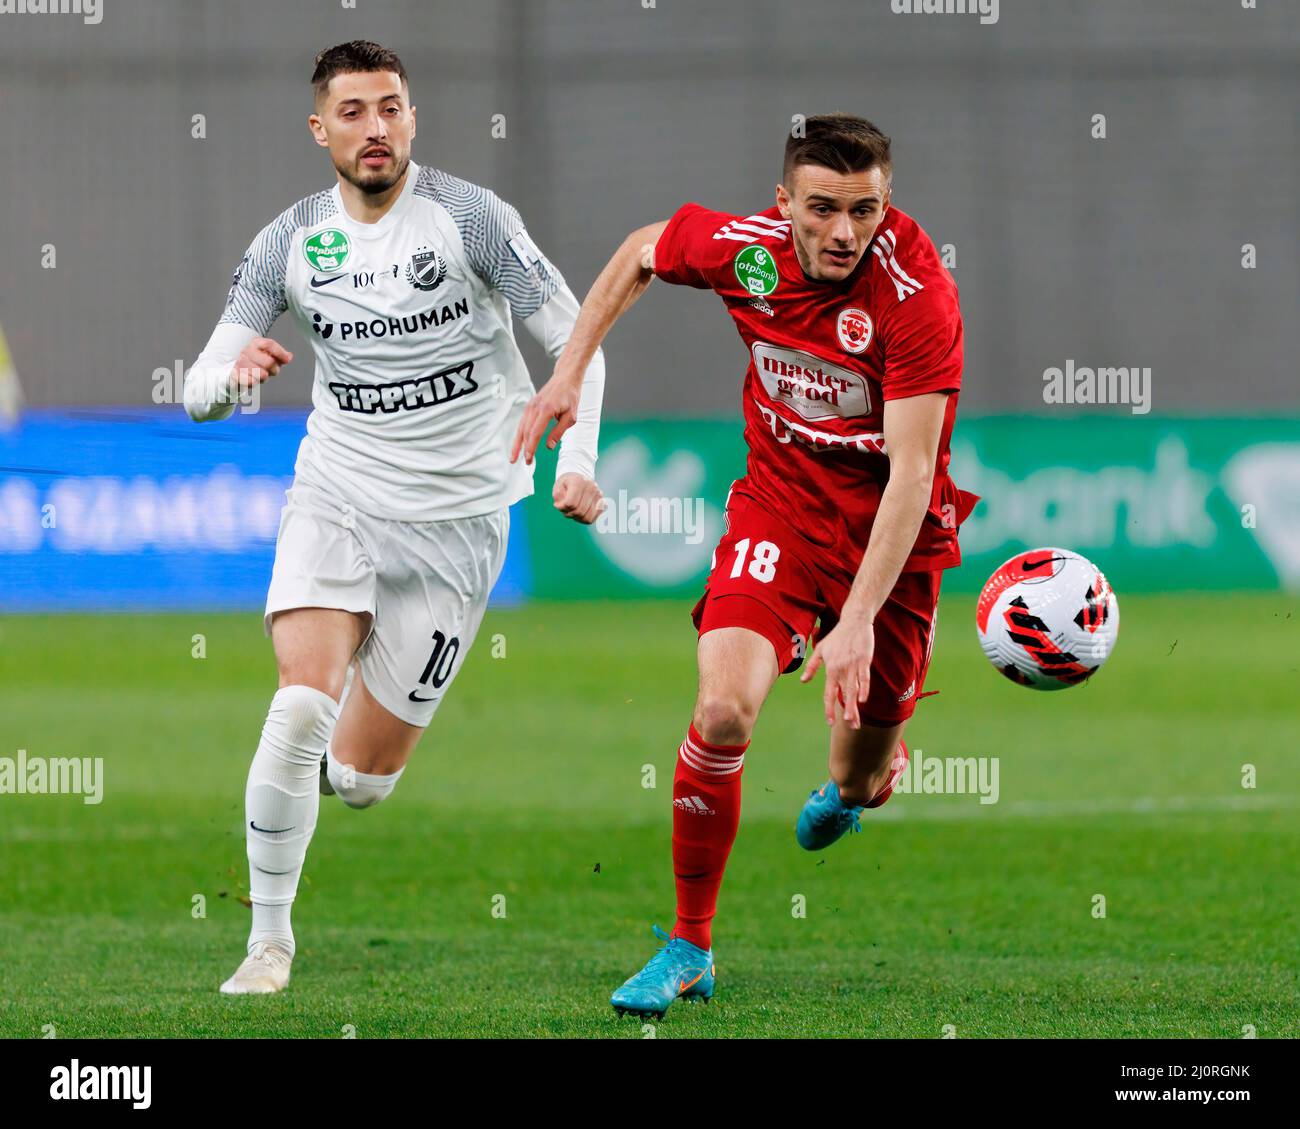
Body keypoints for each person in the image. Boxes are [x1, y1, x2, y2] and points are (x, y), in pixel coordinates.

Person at [513, 113, 977, 1018]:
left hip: (890, 541)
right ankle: (691, 945)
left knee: (858, 775)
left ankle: (862, 782)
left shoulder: (918, 296)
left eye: (866, 210)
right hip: (780, 509)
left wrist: (856, 624)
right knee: (722, 709)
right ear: (784, 204)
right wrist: (569, 372)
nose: (846, 231)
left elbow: (915, 475)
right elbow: (643, 251)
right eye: (824, 208)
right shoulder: (748, 250)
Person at [184, 40, 605, 995]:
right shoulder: (287, 242)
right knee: (297, 706)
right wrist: (229, 381)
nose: (376, 128)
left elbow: (577, 341)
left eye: (392, 108)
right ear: (320, 128)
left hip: (459, 523)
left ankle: (326, 780)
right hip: (339, 490)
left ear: (411, 116)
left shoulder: (471, 220)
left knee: (362, 781)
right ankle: (268, 944)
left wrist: (576, 456)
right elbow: (202, 383)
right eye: (355, 111)